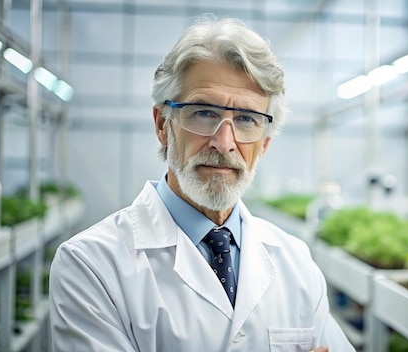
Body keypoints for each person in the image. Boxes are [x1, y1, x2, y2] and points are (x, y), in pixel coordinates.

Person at [49, 15, 355, 352]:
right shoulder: (91, 264)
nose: (224, 142)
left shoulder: (296, 262)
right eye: (203, 113)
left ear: (264, 143)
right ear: (163, 125)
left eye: (247, 119)